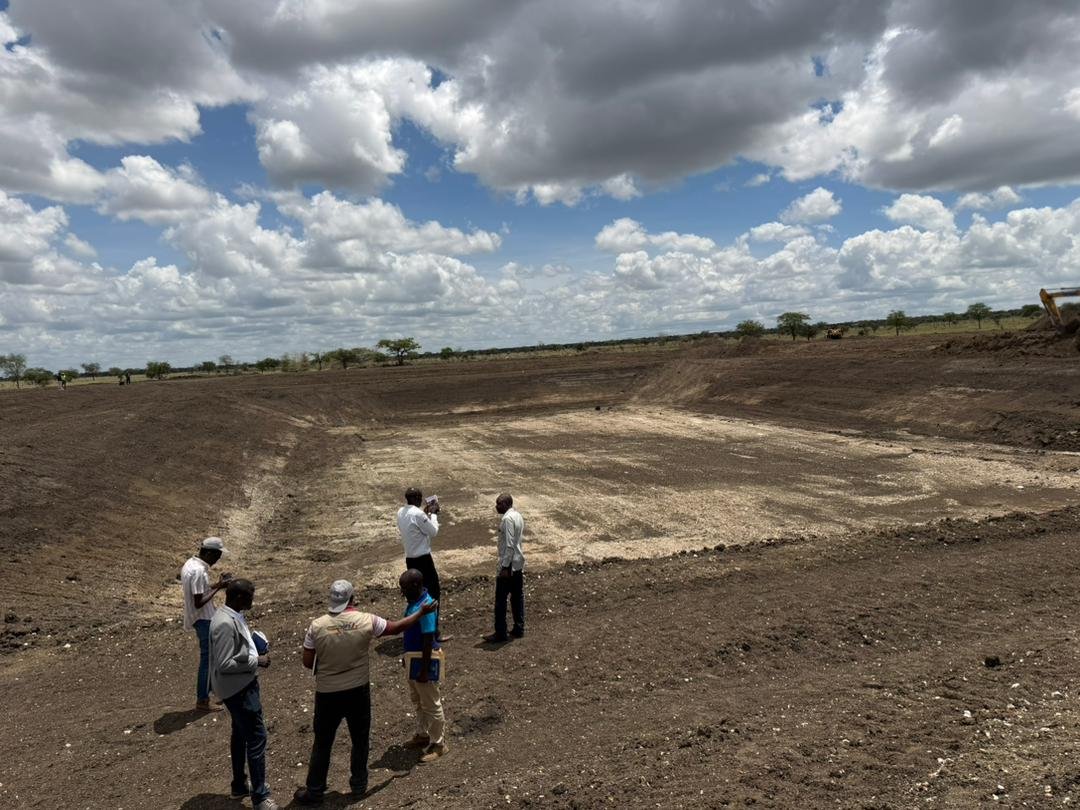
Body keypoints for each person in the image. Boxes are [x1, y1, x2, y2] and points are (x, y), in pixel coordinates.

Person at [293, 580, 439, 806]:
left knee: (323, 742)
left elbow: (307, 662)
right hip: (357, 690)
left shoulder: (316, 626)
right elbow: (396, 628)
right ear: (352, 599)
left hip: (327, 693)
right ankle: (359, 786)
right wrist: (421, 612)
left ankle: (314, 790)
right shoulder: (366, 620)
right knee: (360, 740)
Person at [209, 579, 277, 810]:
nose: (252, 600)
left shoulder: (230, 615)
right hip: (239, 689)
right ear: (238, 598)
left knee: (239, 734)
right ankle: (260, 797)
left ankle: (239, 784)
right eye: (250, 596)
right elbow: (225, 663)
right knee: (256, 739)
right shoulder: (224, 624)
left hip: (236, 687)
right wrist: (257, 660)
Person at [400, 569, 448, 762]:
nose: (402, 592)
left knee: (431, 703)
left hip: (424, 660)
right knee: (418, 700)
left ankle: (439, 744)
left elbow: (428, 639)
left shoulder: (426, 605)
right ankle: (423, 734)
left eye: (404, 588)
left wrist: (425, 669)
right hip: (414, 659)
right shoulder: (415, 603)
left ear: (416, 586)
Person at [180, 536, 231, 711]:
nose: (218, 559)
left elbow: (199, 591)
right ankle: (202, 700)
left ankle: (212, 691)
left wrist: (217, 584)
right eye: (217, 555)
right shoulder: (199, 571)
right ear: (209, 552)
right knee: (208, 660)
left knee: (213, 658)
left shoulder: (191, 564)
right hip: (203, 619)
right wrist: (219, 587)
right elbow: (199, 601)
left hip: (199, 618)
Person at [396, 487, 450, 641]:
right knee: (433, 594)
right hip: (424, 560)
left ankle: (418, 627)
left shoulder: (401, 512)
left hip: (410, 559)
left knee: (414, 595)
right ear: (418, 498)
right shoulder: (418, 514)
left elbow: (415, 528)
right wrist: (432, 514)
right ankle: (433, 631)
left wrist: (425, 515)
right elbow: (433, 531)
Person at [484, 494, 526, 643]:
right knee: (517, 597)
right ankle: (519, 627)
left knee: (501, 601)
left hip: (509, 566)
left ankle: (500, 632)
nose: (496, 506)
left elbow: (509, 546)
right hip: (518, 563)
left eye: (499, 504)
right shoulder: (517, 515)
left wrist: (504, 567)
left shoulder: (507, 519)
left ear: (507, 504)